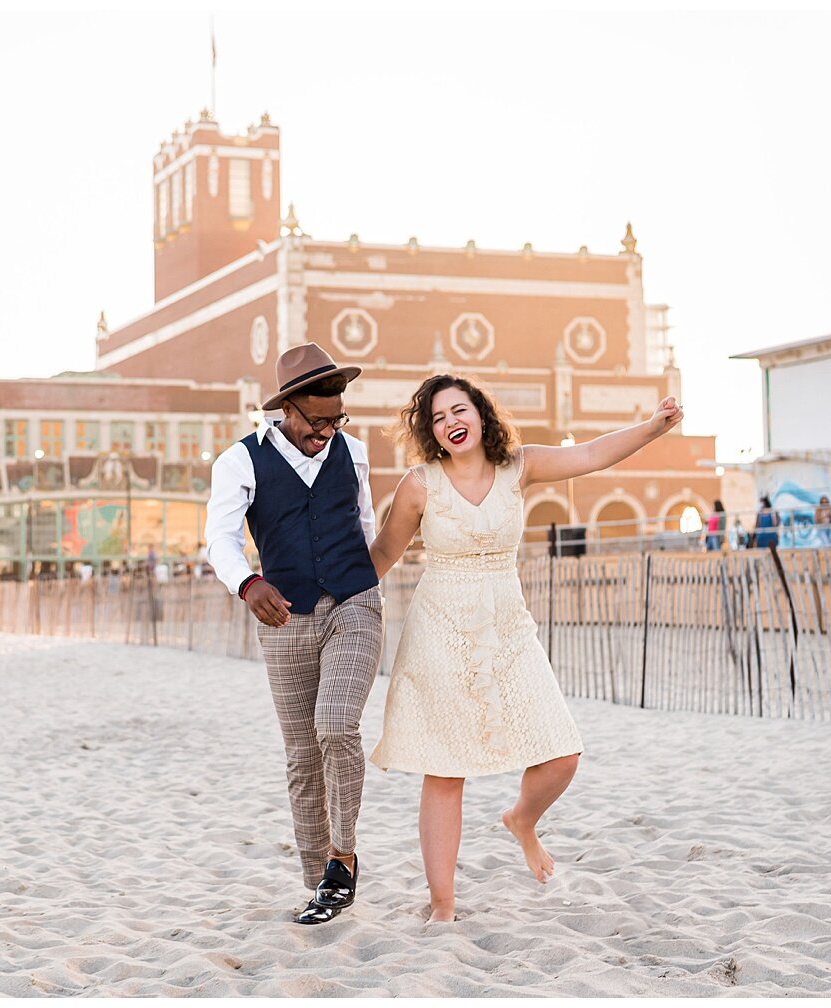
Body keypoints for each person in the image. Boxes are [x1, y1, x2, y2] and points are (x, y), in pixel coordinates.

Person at [367, 374, 683, 923]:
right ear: (431, 431)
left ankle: (522, 820)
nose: (451, 423)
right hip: (440, 630)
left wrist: (652, 429)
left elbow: (589, 454)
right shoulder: (420, 485)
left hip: (509, 629)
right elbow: (378, 559)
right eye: (438, 418)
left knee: (562, 754)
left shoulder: (519, 466)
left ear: (481, 414)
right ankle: (443, 905)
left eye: (459, 410)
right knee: (445, 771)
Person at [205, 342, 382, 926]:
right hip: (281, 616)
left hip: (354, 604)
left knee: (336, 725)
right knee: (303, 755)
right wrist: (247, 584)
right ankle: (320, 884)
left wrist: (361, 583)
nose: (327, 431)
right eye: (317, 420)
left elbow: (365, 525)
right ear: (286, 409)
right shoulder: (240, 461)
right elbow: (221, 540)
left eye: (337, 419)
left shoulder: (353, 453)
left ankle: (342, 859)